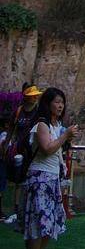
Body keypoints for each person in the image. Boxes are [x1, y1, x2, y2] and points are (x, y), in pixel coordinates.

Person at [22, 87, 78, 249]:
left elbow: (58, 151)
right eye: (56, 101)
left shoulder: (56, 125)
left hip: (52, 178)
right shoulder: (41, 125)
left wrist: (65, 138)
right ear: (47, 103)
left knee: (52, 221)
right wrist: (65, 136)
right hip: (39, 178)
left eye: (62, 102)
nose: (60, 105)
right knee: (38, 222)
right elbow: (46, 148)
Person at [4, 83, 42, 227]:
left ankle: (27, 209)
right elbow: (11, 129)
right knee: (18, 179)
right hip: (18, 150)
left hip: (32, 151)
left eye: (36, 96)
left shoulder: (38, 111)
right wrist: (6, 144)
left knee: (29, 178)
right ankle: (17, 209)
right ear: (27, 97)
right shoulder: (19, 111)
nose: (36, 98)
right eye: (33, 96)